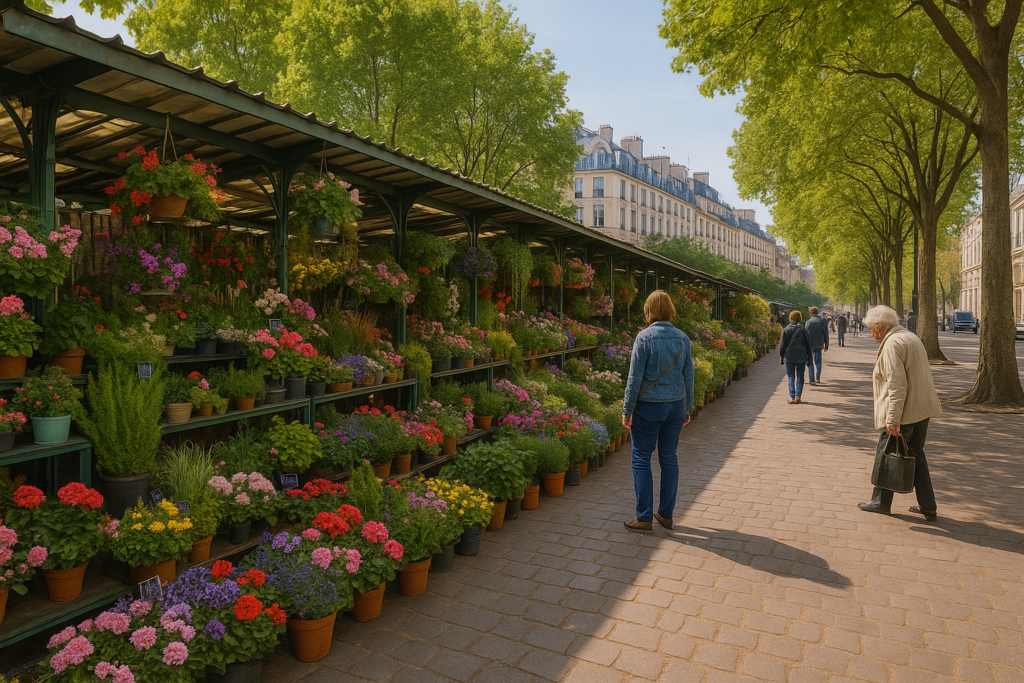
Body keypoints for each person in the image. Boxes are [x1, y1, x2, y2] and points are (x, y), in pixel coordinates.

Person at [858, 305, 943, 521]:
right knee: (915, 454)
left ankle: (880, 502)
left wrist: (892, 419)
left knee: (887, 453)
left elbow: (897, 384)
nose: (871, 333)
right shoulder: (909, 337)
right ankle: (928, 506)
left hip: (905, 411)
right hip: (921, 408)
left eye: (871, 329)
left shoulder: (892, 344)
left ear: (880, 326)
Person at [621, 290, 694, 532]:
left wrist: (627, 409)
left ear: (648, 310)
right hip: (675, 405)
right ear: (670, 309)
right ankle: (666, 514)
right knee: (669, 457)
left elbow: (634, 378)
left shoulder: (644, 338)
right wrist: (688, 407)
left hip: (649, 407)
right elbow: (688, 376)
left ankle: (643, 517)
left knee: (641, 458)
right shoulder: (682, 337)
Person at [779, 310, 812, 404]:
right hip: (801, 356)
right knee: (800, 376)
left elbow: (782, 345)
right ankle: (798, 396)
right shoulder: (803, 330)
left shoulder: (785, 330)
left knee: (791, 376)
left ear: (790, 318)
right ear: (800, 318)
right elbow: (807, 345)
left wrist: (781, 355)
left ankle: (792, 396)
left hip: (789, 356)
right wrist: (809, 357)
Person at [805, 306, 829, 385]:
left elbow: (806, 334)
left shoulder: (808, 322)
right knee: (818, 362)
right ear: (817, 312)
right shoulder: (822, 321)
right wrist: (826, 344)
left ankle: (812, 379)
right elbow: (826, 333)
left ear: (810, 313)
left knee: (810, 362)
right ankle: (818, 378)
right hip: (818, 344)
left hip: (810, 344)